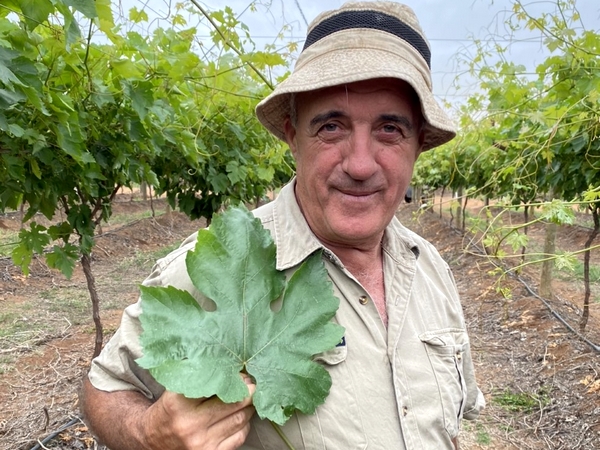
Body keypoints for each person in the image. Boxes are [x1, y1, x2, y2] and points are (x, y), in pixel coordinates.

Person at [80, 1, 485, 449]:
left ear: (419, 144)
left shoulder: (431, 269)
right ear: (293, 136)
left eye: (390, 129)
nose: (360, 164)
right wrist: (147, 433)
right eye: (331, 127)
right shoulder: (231, 260)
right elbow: (105, 386)